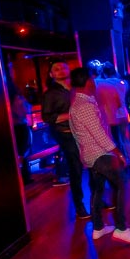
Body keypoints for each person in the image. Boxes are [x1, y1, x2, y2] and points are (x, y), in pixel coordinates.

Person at [68, 66, 130, 243]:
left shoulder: (78, 103)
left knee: (98, 189)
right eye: (92, 79)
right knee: (122, 184)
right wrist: (118, 152)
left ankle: (98, 227)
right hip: (100, 155)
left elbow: (77, 134)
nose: (94, 82)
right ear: (88, 81)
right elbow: (99, 134)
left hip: (91, 155)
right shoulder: (84, 106)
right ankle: (121, 228)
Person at [41, 59, 90, 219]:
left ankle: (97, 200)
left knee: (93, 164)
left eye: (63, 67)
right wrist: (71, 115)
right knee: (75, 168)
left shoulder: (77, 88)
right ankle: (79, 205)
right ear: (51, 75)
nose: (61, 70)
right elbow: (47, 117)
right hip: (66, 134)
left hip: (84, 131)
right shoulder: (50, 94)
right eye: (56, 69)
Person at [7, 64, 33, 185]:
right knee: (22, 153)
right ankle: (24, 177)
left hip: (12, 125)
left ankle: (19, 179)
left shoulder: (6, 91)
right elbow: (23, 110)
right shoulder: (14, 93)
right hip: (19, 125)